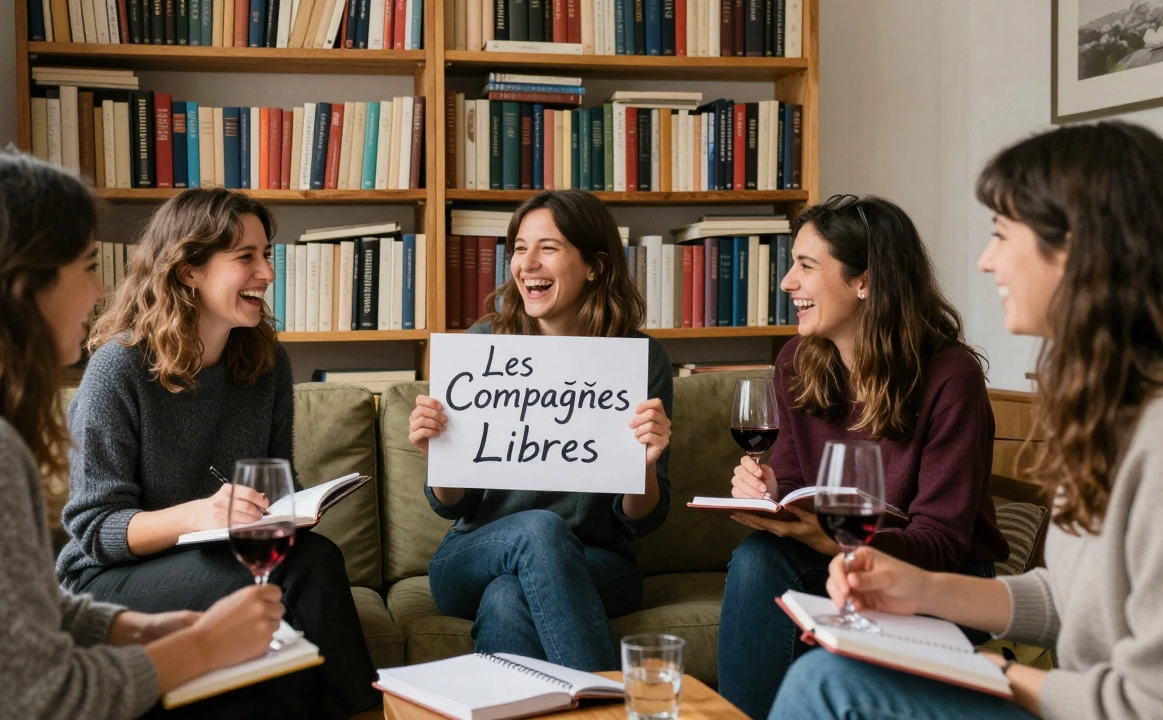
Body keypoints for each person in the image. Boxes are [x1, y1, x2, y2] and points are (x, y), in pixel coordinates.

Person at [0, 148, 316, 719]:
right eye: (87, 266)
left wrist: (143, 630)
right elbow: (43, 696)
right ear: (21, 284)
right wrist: (202, 646)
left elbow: (20, 613)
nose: (97, 293)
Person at [768, 121, 1163, 720]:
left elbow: (1144, 701)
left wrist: (991, 672)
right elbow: (1073, 603)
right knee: (811, 643)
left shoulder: (1155, 443)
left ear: (1083, 250)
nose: (985, 260)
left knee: (827, 682)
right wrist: (919, 590)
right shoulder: (1108, 415)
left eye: (1003, 234)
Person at [54, 187, 377, 717]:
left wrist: (288, 513)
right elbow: (95, 529)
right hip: (106, 578)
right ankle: (366, 712)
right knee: (305, 570)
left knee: (305, 567)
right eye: (245, 257)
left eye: (266, 255)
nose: (266, 274)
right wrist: (201, 513)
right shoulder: (120, 369)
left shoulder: (266, 363)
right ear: (189, 271)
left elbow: (278, 482)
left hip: (214, 561)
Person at [716, 195, 1010, 718]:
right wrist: (768, 494)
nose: (787, 284)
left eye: (806, 267)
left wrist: (825, 537)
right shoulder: (796, 360)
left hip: (945, 580)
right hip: (839, 559)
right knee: (759, 558)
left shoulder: (950, 376)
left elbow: (941, 543)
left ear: (865, 282)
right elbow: (792, 480)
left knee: (768, 568)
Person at [406, 190, 672, 671]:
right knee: (538, 529)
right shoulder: (483, 346)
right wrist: (437, 454)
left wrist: (645, 466)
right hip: (473, 553)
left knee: (508, 598)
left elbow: (642, 521)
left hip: (599, 561)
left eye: (548, 247)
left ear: (594, 265)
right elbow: (453, 503)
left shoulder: (638, 358)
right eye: (519, 248)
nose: (527, 263)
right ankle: (611, 708)